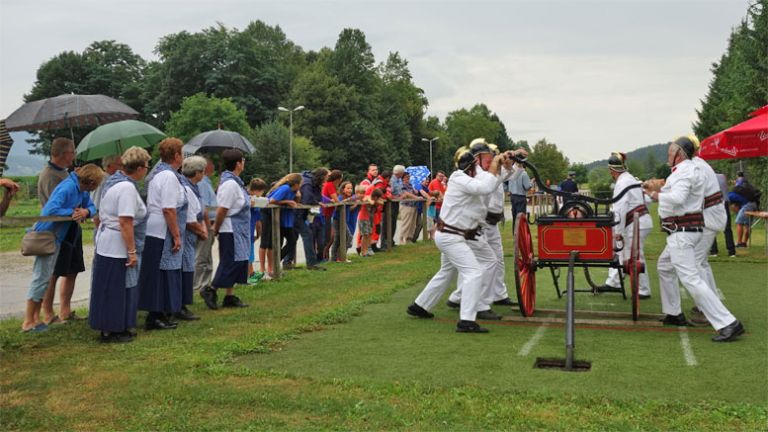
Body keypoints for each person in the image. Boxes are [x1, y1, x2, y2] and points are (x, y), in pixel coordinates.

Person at [643, 136, 744, 342]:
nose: (668, 155)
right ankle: (673, 312)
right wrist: (650, 188)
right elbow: (675, 189)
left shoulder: (689, 170)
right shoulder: (690, 168)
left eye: (671, 152)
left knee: (692, 274)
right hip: (688, 227)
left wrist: (656, 195)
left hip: (686, 228)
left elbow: (679, 197)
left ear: (680, 153)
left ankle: (726, 322)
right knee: (665, 266)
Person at [407, 143, 511, 333]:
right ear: (471, 166)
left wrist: (507, 165)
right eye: (476, 166)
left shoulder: (469, 176)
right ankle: (467, 320)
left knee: (450, 271)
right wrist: (496, 162)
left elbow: (492, 181)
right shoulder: (458, 178)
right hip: (452, 237)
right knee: (474, 272)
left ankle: (420, 306)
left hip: (459, 235)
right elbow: (486, 185)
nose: (479, 169)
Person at [22, 164, 104, 332]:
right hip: (46, 237)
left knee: (44, 278)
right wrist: (73, 212)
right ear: (91, 182)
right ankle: (28, 321)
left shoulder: (82, 190)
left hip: (57, 238)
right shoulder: (68, 187)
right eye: (97, 183)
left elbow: (92, 206)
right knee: (40, 278)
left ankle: (36, 319)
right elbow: (50, 209)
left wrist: (86, 212)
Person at [446, 142, 526, 312]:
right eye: (489, 157)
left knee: (496, 260)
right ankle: (462, 297)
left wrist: (513, 161)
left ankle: (498, 294)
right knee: (476, 263)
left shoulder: (489, 173)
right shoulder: (475, 175)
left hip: (491, 223)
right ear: (477, 159)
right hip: (478, 224)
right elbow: (492, 181)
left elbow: (505, 176)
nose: (492, 160)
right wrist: (505, 163)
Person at [89, 147, 150, 343]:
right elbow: (125, 221)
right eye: (147, 166)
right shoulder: (126, 188)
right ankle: (111, 328)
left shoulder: (115, 183)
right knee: (114, 288)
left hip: (109, 241)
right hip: (116, 244)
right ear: (139, 168)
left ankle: (118, 325)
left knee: (115, 286)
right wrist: (131, 251)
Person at [138, 138, 187, 330]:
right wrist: (176, 235)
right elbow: (169, 209)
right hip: (160, 230)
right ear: (176, 156)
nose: (183, 157)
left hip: (158, 228)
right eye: (182, 153)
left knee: (161, 272)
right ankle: (154, 314)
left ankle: (161, 311)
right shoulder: (168, 177)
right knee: (158, 273)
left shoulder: (162, 175)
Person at [38, 137, 81, 325]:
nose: (74, 156)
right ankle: (48, 313)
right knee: (53, 273)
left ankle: (65, 309)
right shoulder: (49, 175)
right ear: (64, 153)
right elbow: (53, 206)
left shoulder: (65, 173)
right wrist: (75, 208)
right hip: (56, 231)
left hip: (71, 229)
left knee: (72, 270)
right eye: (73, 152)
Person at [200, 149, 250, 310]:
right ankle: (211, 289)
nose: (244, 163)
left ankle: (229, 295)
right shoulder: (230, 184)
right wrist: (216, 228)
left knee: (240, 260)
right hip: (230, 229)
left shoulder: (236, 182)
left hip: (239, 228)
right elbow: (222, 209)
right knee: (231, 261)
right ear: (238, 164)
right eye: (243, 160)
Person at [602, 152, 653, 299]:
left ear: (612, 171)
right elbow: (647, 199)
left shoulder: (622, 183)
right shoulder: (631, 179)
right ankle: (614, 281)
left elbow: (620, 207)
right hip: (639, 220)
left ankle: (643, 289)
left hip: (635, 222)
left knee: (635, 255)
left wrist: (617, 230)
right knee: (623, 252)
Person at [177, 156, 209, 320]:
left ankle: (182, 304)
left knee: (188, 267)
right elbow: (189, 218)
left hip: (190, 236)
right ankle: (180, 306)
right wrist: (202, 232)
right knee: (185, 269)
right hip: (187, 235)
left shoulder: (192, 187)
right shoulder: (187, 189)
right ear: (197, 172)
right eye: (203, 171)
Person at [258, 173, 301, 280]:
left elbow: (292, 202)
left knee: (279, 242)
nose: (301, 186)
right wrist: (287, 201)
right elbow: (271, 200)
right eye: (300, 184)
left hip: (278, 216)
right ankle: (263, 270)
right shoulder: (285, 188)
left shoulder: (293, 191)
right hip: (267, 213)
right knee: (266, 242)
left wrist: (296, 197)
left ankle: (272, 267)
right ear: (296, 183)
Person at [294, 168, 329, 270]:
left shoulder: (314, 183)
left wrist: (317, 202)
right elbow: (307, 199)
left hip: (301, 214)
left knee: (292, 239)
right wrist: (317, 203)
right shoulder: (307, 183)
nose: (327, 179)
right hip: (296, 214)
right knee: (306, 235)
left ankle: (287, 262)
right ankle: (311, 263)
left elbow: (316, 198)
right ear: (322, 176)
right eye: (326, 177)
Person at [193, 157, 218, 294]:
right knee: (201, 257)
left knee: (207, 257)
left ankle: (205, 284)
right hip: (206, 225)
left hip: (209, 224)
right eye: (211, 163)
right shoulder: (202, 183)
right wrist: (208, 227)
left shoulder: (206, 181)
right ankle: (197, 285)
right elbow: (203, 207)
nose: (213, 166)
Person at [92, 154, 123, 229]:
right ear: (109, 166)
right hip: (104, 227)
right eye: (119, 165)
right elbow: (96, 207)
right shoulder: (101, 181)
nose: (122, 168)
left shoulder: (115, 180)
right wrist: (100, 229)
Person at [709, 172, 736, 257]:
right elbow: (726, 189)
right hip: (725, 202)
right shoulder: (722, 176)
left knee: (712, 227)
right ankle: (731, 251)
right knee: (727, 228)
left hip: (714, 203)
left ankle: (714, 251)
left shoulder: (708, 178)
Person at [331, 181, 357, 263]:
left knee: (341, 238)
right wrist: (349, 200)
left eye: (351, 188)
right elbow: (337, 208)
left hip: (344, 220)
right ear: (342, 189)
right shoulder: (340, 198)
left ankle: (338, 257)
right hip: (338, 220)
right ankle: (339, 257)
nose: (350, 190)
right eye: (348, 188)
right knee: (345, 238)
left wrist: (355, 204)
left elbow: (348, 209)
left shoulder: (349, 198)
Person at [248, 178, 267, 283]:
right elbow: (258, 222)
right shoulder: (256, 201)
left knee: (246, 253)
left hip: (243, 230)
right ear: (258, 190)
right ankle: (250, 275)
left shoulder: (245, 197)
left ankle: (250, 273)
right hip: (249, 230)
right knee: (249, 254)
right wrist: (259, 234)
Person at [321, 170, 343, 261]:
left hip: (329, 213)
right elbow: (336, 200)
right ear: (338, 178)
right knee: (329, 236)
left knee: (331, 236)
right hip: (325, 213)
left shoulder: (332, 186)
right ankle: (323, 255)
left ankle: (325, 254)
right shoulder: (329, 185)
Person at [384, 165, 406, 248]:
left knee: (394, 222)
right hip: (391, 203)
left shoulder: (399, 179)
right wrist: (399, 197)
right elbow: (390, 193)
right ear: (400, 173)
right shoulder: (392, 180)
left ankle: (391, 240)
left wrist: (401, 195)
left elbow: (400, 190)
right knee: (390, 222)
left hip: (396, 202)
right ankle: (388, 241)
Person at [359, 188, 384, 257]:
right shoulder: (367, 197)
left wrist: (377, 201)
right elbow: (371, 202)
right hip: (363, 218)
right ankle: (363, 252)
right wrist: (374, 201)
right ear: (375, 196)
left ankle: (366, 250)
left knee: (369, 234)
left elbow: (382, 202)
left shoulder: (375, 199)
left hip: (369, 219)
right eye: (378, 197)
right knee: (365, 235)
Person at [397, 172, 421, 245]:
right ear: (403, 178)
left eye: (409, 177)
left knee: (412, 224)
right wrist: (416, 197)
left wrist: (415, 190)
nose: (408, 178)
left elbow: (415, 192)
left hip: (413, 205)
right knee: (406, 223)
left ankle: (409, 239)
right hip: (406, 205)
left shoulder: (410, 185)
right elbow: (406, 194)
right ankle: (402, 239)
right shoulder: (401, 184)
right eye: (407, 177)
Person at [507, 163, 531, 230]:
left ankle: (515, 234)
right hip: (520, 197)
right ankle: (520, 235)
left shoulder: (511, 173)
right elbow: (527, 187)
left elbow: (509, 188)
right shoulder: (524, 173)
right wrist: (531, 182)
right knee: (521, 218)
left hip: (513, 197)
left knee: (515, 217)